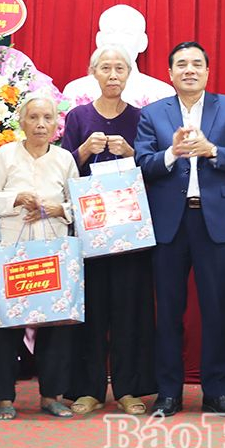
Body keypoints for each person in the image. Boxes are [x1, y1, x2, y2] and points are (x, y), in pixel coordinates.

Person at [134, 41, 225, 417]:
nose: (189, 70)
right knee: (168, 312)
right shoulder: (153, 113)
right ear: (170, 73)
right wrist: (173, 153)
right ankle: (168, 393)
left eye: (197, 64)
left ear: (207, 71)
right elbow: (142, 164)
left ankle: (216, 392)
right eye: (181, 64)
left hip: (214, 221)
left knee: (216, 309)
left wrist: (211, 150)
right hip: (170, 223)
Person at [62, 47, 156, 416]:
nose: (113, 75)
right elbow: (61, 169)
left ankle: (129, 388)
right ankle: (89, 389)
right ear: (93, 73)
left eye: (120, 68)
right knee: (92, 309)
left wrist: (131, 152)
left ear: (129, 74)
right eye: (106, 68)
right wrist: (84, 150)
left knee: (130, 309)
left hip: (130, 228)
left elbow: (154, 168)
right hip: (89, 228)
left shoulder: (142, 118)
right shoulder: (78, 117)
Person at [0, 95, 79, 420]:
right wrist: (15, 199)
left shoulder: (64, 159)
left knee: (56, 326)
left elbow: (79, 203)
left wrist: (58, 208)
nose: (40, 124)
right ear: (21, 122)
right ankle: (2, 398)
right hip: (11, 252)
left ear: (56, 125)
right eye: (33, 117)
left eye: (47, 118)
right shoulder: (5, 155)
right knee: (5, 326)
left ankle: (52, 395)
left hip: (53, 252)